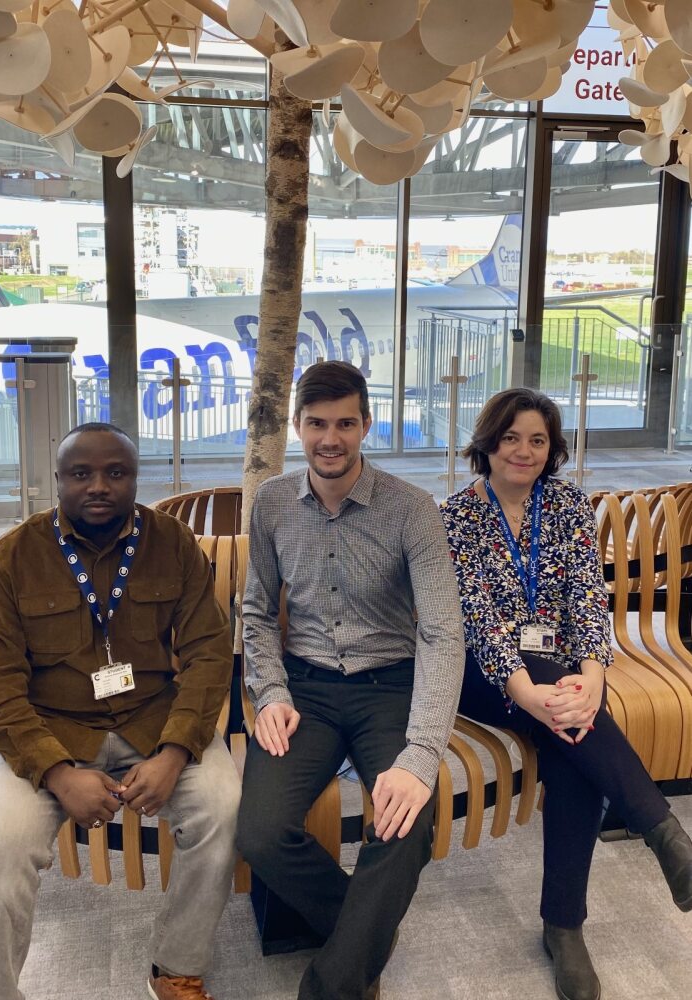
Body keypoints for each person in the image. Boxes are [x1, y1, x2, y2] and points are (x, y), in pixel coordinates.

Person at [0, 423, 240, 1000]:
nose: (99, 486)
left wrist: (175, 752)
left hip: (154, 721)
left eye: (116, 472)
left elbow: (210, 654)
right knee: (3, 849)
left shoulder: (172, 543)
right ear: (57, 480)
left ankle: (176, 968)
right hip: (47, 731)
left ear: (136, 478)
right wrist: (57, 774)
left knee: (222, 806)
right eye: (81, 473)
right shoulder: (13, 556)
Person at [440, 388, 692, 1000]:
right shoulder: (456, 516)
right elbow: (480, 620)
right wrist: (534, 694)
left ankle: (565, 927)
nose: (523, 451)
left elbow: (586, 598)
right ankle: (660, 834)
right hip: (483, 673)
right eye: (511, 437)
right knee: (568, 715)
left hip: (558, 666)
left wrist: (594, 676)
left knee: (572, 739)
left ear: (552, 449)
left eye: (538, 440)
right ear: (487, 442)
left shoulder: (568, 504)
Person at [237, 361, 465, 1000]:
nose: (330, 438)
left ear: (366, 424)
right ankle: (362, 933)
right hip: (304, 688)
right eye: (316, 424)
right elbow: (255, 612)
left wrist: (420, 756)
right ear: (297, 427)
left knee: (406, 818)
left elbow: (444, 634)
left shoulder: (412, 509)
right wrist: (272, 692)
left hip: (388, 686)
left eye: (345, 423)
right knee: (258, 830)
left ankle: (331, 984)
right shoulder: (274, 504)